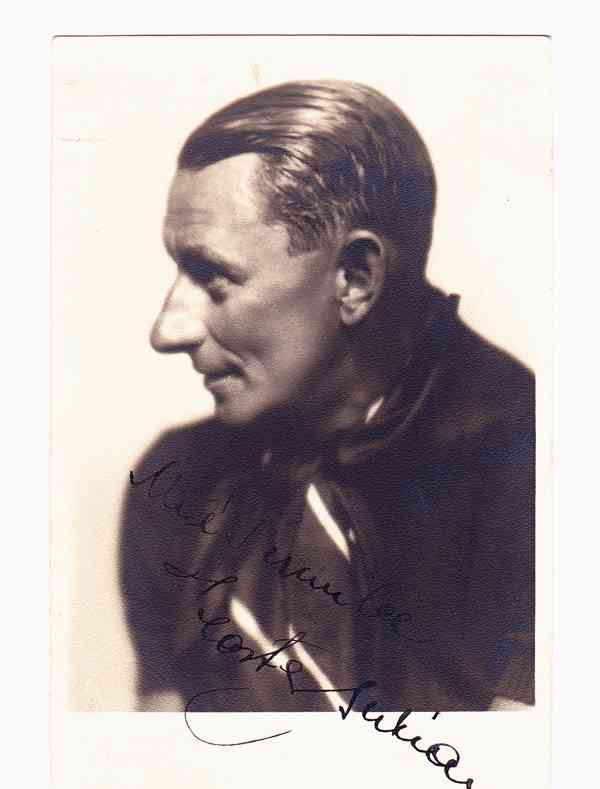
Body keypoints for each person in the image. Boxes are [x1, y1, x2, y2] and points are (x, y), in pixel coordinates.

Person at [121, 80, 534, 713]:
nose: (166, 330)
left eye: (214, 276)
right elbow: (164, 753)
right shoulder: (174, 483)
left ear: (354, 278)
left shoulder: (541, 472)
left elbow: (525, 771)